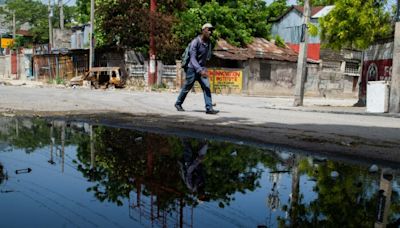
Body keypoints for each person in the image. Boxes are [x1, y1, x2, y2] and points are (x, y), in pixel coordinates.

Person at [174, 23, 219, 114]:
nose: (210, 32)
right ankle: (178, 103)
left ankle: (209, 108)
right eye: (209, 30)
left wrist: (203, 69)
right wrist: (199, 70)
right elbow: (192, 58)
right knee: (187, 87)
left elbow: (206, 57)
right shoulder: (195, 42)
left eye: (211, 30)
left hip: (202, 68)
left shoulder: (208, 43)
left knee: (206, 86)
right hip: (192, 68)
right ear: (203, 30)